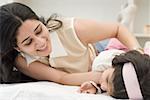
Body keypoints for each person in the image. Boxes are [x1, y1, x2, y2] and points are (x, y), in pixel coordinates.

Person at [0, 2, 141, 85]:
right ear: (17, 47)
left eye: (38, 30)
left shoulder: (71, 28)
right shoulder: (23, 61)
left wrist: (137, 51)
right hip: (87, 66)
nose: (41, 42)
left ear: (40, 21)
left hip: (96, 49)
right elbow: (62, 78)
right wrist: (105, 75)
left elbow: (117, 29)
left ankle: (126, 20)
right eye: (28, 42)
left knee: (116, 46)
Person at [78, 50, 150, 99]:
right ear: (115, 65)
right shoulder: (102, 62)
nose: (103, 86)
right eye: (107, 79)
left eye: (109, 91)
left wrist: (95, 87)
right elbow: (66, 78)